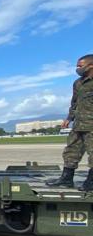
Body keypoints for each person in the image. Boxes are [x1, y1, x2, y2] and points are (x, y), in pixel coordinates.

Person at [46, 54, 93, 191]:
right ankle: (66, 179)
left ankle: (91, 182)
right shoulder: (78, 83)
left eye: (80, 65)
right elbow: (74, 103)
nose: (77, 68)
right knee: (71, 151)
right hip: (79, 124)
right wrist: (69, 118)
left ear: (90, 65)